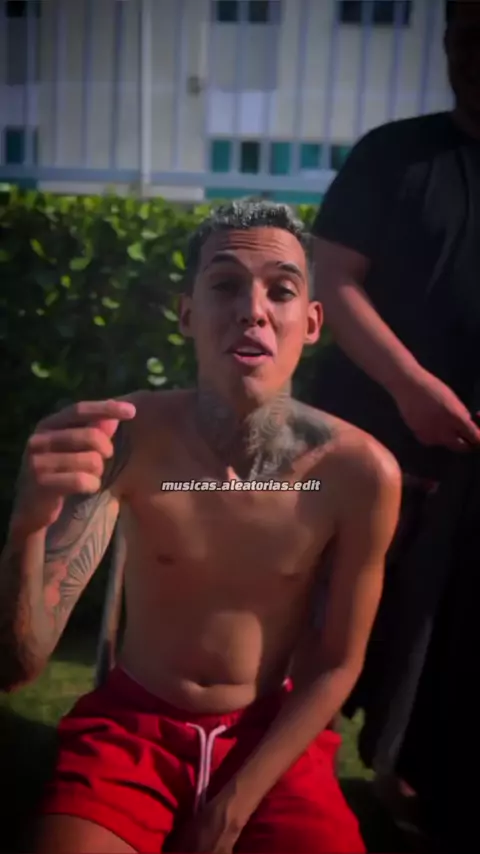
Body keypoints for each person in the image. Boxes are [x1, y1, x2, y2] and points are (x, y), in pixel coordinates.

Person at [0, 200, 401, 854]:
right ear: (187, 313)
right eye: (225, 285)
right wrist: (27, 528)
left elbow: (337, 662)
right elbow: (17, 666)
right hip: (132, 731)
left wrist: (234, 805)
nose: (253, 310)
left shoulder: (360, 473)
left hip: (271, 739)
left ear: (311, 322)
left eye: (281, 290)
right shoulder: (125, 439)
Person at [309, 0, 480, 836]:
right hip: (374, 445)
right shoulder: (394, 154)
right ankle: (302, 772)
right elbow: (331, 278)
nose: (473, 52)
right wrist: (411, 385)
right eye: (464, 34)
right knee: (342, 626)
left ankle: (422, 783)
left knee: (451, 641)